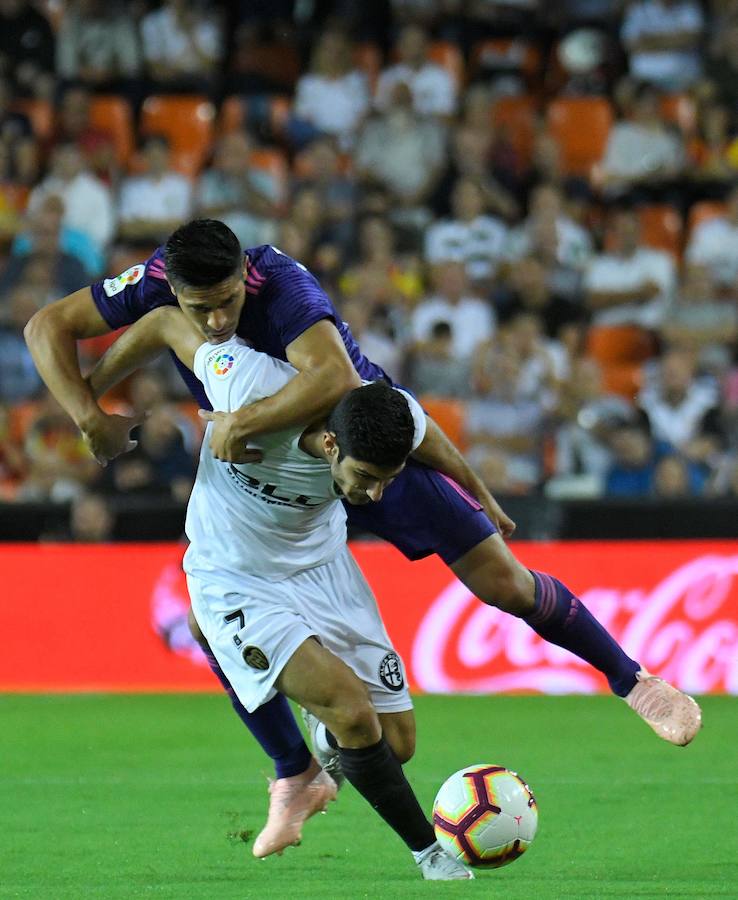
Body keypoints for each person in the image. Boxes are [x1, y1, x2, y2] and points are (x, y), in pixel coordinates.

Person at [24, 220, 702, 843]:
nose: (219, 318)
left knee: (504, 581)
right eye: (201, 306)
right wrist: (88, 410)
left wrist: (240, 424)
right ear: (170, 285)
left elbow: (337, 378)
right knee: (209, 620)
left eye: (228, 301)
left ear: (244, 278)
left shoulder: (283, 287)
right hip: (276, 479)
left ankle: (633, 680)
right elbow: (53, 327)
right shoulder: (158, 289)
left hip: (361, 444)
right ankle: (295, 773)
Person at [85, 304, 471, 880]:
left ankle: (309, 755)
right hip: (234, 574)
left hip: (323, 567)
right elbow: (167, 322)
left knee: (398, 742)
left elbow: (427, 438)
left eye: (385, 479)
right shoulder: (246, 384)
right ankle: (428, 852)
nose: (373, 494)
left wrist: (482, 500)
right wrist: (85, 402)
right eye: (365, 478)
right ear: (333, 444)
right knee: (352, 713)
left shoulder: (382, 412)